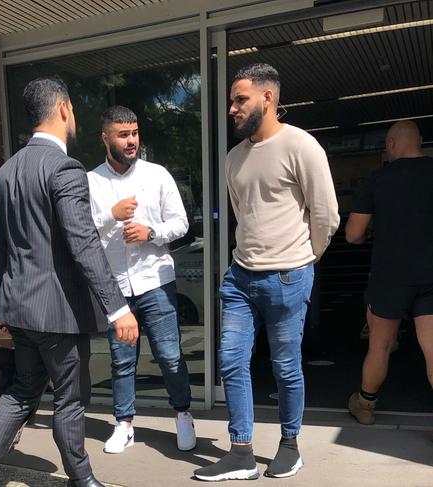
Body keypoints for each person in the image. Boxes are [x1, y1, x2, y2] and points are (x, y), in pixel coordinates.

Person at [0, 77, 139, 487]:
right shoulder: (65, 168)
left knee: (23, 391)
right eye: (73, 109)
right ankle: (82, 478)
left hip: (20, 310)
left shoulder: (5, 173)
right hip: (58, 314)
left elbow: (2, 248)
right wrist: (119, 308)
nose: (73, 116)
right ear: (63, 109)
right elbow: (84, 243)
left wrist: (1, 305)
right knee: (71, 399)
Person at [194, 63, 339, 481]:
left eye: (241, 100)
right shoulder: (233, 158)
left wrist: (303, 259)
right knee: (232, 363)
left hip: (288, 276)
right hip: (241, 276)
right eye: (232, 102)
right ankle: (240, 452)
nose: (233, 109)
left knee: (285, 366)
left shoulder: (302, 146)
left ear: (267, 98)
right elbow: (244, 215)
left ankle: (290, 446)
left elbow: (326, 216)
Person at [87, 105, 196, 454]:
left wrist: (150, 232)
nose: (131, 140)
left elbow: (181, 223)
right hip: (116, 285)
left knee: (169, 355)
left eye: (134, 133)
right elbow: (83, 232)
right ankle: (124, 424)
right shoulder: (92, 182)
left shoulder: (157, 175)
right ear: (106, 138)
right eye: (123, 134)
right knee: (122, 358)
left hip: (155, 280)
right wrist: (111, 216)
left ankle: (182, 414)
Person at [346, 120, 433, 425]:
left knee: (380, 344)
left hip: (390, 275)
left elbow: (353, 234)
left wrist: (370, 230)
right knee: (432, 345)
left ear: (392, 145)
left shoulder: (377, 179)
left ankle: (366, 405)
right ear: (420, 141)